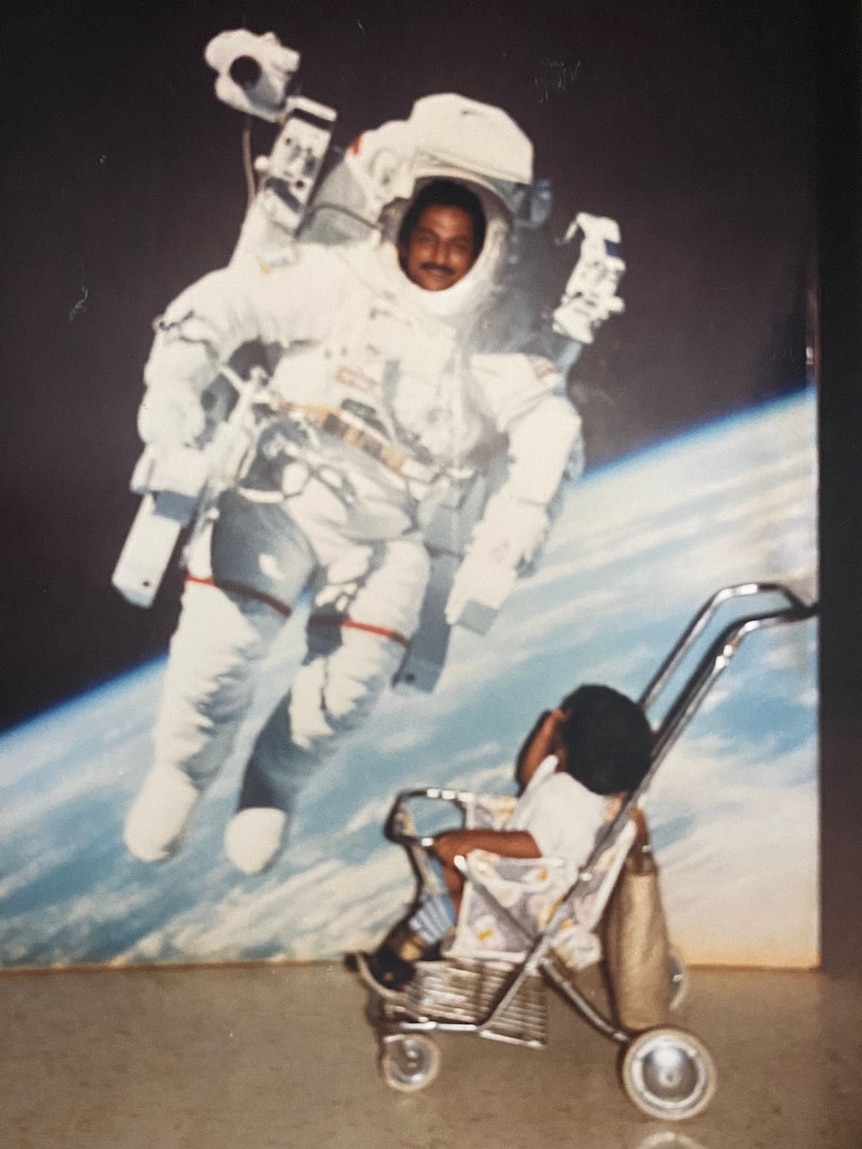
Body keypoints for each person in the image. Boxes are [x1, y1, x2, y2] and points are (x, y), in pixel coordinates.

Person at [122, 144, 584, 876]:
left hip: (390, 530)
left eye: (459, 245)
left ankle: (272, 783)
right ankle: (181, 772)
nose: (438, 256)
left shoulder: (492, 342)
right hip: (283, 488)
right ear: (400, 229)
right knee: (216, 666)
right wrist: (173, 400)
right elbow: (220, 303)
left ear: (487, 249)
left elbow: (551, 432)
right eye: (427, 236)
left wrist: (511, 536)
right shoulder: (337, 279)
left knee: (346, 694)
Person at [355, 684, 654, 998]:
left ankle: (395, 963)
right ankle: (442, 932)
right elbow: (530, 779)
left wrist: (470, 840)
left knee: (452, 903)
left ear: (565, 747)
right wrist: (546, 732)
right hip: (529, 878)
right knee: (446, 867)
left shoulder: (564, 802)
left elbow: (534, 845)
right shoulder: (578, 786)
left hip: (531, 902)